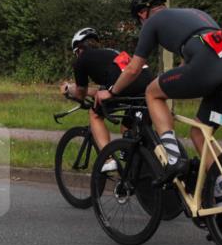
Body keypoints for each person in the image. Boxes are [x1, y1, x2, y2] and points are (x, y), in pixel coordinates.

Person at [95, 0, 222, 210]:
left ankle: (174, 157)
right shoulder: (196, 14)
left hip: (209, 67)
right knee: (200, 132)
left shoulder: (151, 23)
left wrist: (111, 91)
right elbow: (191, 62)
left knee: (152, 92)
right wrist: (173, 79)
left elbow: (133, 69)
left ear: (141, 14)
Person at [59, 27, 154, 172]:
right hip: (148, 83)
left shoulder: (83, 59)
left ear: (78, 49)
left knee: (95, 114)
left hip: (122, 86)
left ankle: (108, 159)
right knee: (128, 129)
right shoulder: (111, 53)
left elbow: (80, 94)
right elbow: (103, 91)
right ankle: (139, 170)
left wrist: (69, 89)